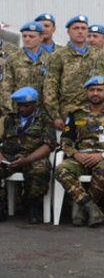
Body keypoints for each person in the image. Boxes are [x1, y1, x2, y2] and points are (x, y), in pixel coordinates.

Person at [53, 76, 104, 227]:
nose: (95, 93)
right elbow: (66, 140)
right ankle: (91, 207)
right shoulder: (76, 114)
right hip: (80, 156)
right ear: (87, 93)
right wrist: (76, 154)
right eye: (92, 90)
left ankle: (83, 211)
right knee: (61, 170)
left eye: (99, 90)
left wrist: (102, 155)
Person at [0, 87, 56, 224]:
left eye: (26, 106)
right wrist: (1, 158)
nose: (22, 109)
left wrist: (27, 160)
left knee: (40, 169)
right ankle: (2, 206)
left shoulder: (44, 119)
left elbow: (48, 145)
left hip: (33, 157)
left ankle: (34, 207)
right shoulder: (8, 119)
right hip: (9, 156)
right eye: (19, 105)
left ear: (34, 104)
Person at [44, 14, 103, 130]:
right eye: (76, 28)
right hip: (68, 113)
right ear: (69, 32)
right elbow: (50, 88)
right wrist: (55, 116)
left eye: (83, 28)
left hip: (94, 114)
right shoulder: (58, 56)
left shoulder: (99, 55)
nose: (80, 32)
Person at [0, 22, 50, 110]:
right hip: (19, 110)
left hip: (42, 112)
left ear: (41, 38)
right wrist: (9, 110)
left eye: (31, 36)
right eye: (24, 36)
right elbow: (6, 87)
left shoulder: (50, 60)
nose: (27, 39)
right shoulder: (13, 59)